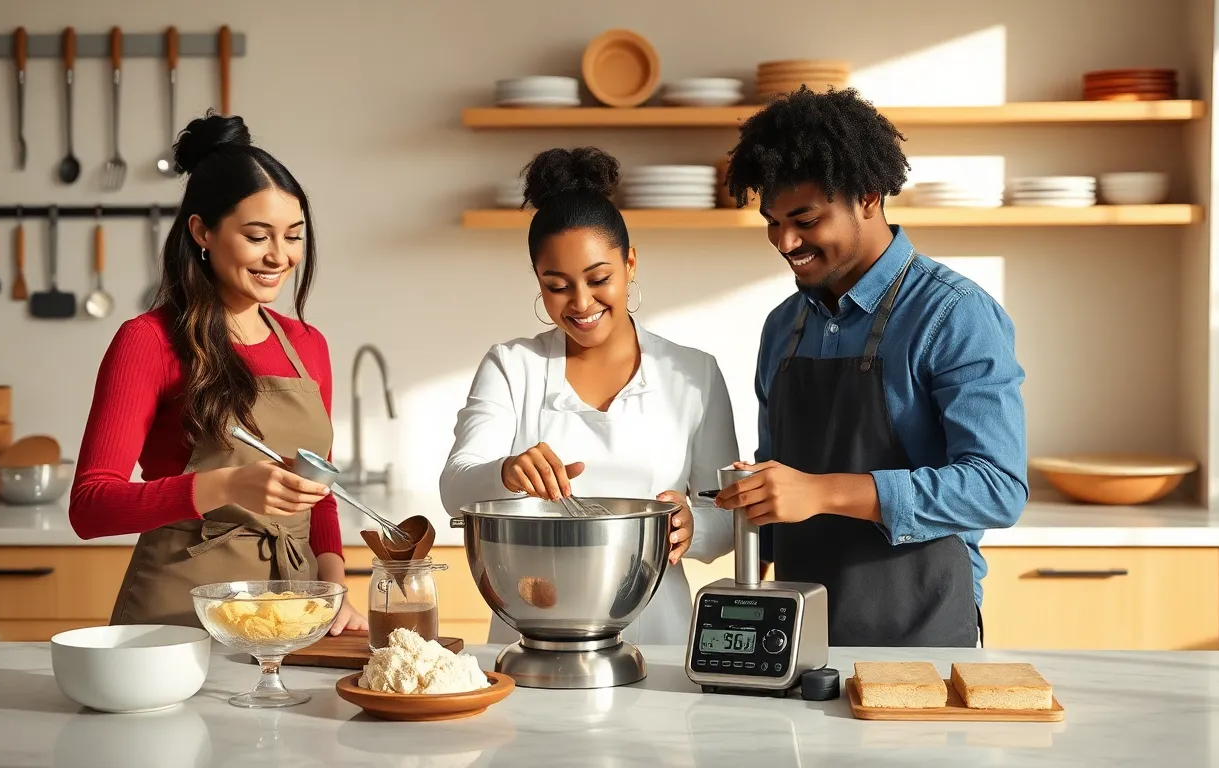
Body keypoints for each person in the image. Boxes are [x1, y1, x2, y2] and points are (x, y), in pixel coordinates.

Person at [714, 88, 1028, 648]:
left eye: (805, 220)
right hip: (798, 638)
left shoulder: (953, 314)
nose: (786, 242)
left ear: (868, 196)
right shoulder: (782, 327)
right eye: (773, 222)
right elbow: (778, 486)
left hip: (921, 633)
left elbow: (997, 488)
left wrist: (824, 492)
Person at [70, 114, 366, 635]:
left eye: (293, 236)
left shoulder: (307, 345)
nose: (280, 256)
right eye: (258, 236)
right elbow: (91, 507)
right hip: (180, 620)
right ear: (202, 231)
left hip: (292, 612)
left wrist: (333, 588)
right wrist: (228, 484)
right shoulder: (149, 341)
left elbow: (318, 494)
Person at [439, 147, 739, 645]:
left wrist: (694, 527)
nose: (580, 304)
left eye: (599, 279)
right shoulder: (513, 366)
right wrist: (506, 470)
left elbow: (726, 513)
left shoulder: (693, 373)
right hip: (532, 624)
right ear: (538, 280)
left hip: (656, 631)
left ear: (630, 263)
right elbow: (455, 486)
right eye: (557, 286)